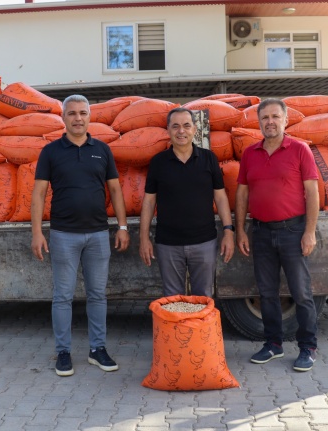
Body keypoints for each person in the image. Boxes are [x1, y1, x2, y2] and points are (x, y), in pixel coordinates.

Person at [31, 94, 130, 377]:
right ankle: (63, 353)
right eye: (72, 113)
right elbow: (38, 194)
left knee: (98, 295)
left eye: (83, 113)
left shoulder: (102, 150)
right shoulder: (50, 152)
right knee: (62, 296)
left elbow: (115, 190)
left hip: (98, 234)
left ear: (90, 117)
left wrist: (122, 227)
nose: (77, 118)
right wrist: (37, 232)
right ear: (63, 118)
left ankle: (97, 349)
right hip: (63, 235)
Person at [234, 98, 320, 372]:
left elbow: (312, 193)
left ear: (285, 120)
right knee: (267, 292)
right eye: (265, 118)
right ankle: (274, 344)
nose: (270, 122)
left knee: (301, 293)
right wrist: (239, 230)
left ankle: (307, 347)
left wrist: (309, 232)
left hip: (293, 232)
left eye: (275, 117)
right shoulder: (250, 153)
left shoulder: (299, 150)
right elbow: (242, 193)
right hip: (260, 231)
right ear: (259, 123)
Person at [139, 107, 234, 297]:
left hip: (204, 242)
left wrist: (228, 231)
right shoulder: (158, 162)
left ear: (194, 129)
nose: (181, 131)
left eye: (186, 125)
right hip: (168, 243)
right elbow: (149, 202)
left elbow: (220, 196)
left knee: (204, 297)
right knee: (173, 299)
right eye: (175, 126)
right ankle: (177, 329)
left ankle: (199, 329)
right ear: (168, 130)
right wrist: (143, 238)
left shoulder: (209, 159)